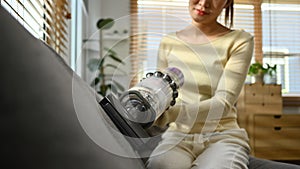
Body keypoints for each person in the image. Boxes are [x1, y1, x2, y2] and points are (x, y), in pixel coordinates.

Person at [146, 0, 254, 169]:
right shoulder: (168, 42)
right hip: (178, 135)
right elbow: (163, 92)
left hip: (222, 136)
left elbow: (223, 102)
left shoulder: (239, 41)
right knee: (159, 165)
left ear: (226, 3)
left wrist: (167, 115)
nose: (204, 3)